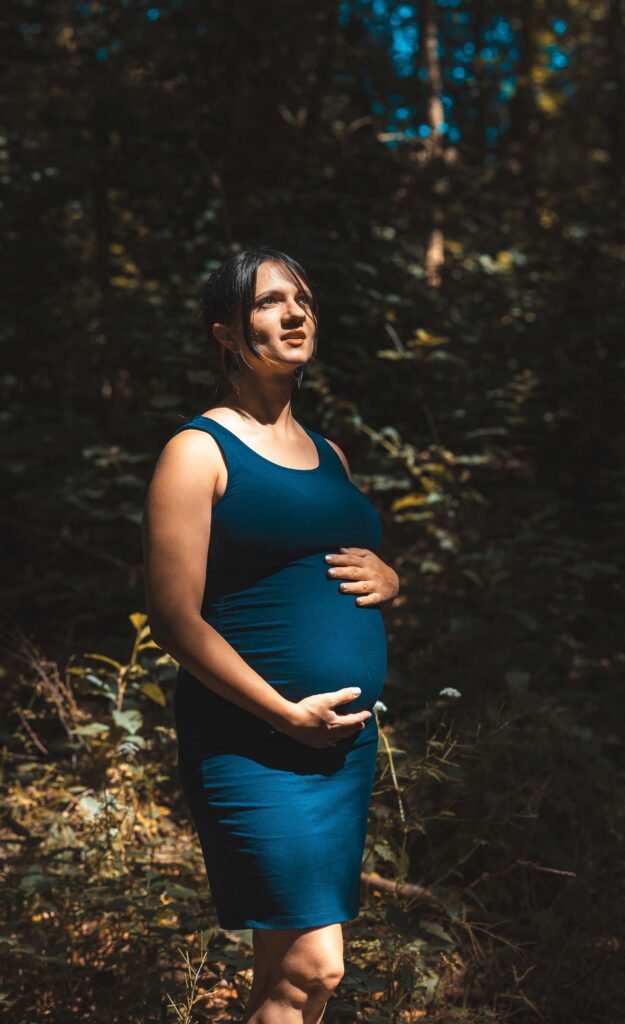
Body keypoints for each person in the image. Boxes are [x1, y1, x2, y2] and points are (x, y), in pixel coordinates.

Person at [142, 244, 399, 1024]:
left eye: (304, 300)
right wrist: (284, 713)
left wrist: (391, 580)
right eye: (268, 302)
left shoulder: (330, 455)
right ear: (225, 331)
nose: (294, 314)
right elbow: (174, 619)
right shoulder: (196, 452)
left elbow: (338, 562)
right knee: (310, 968)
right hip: (254, 739)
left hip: (337, 746)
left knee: (307, 979)